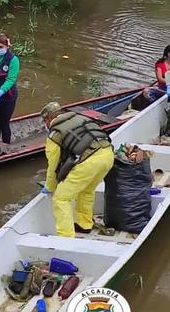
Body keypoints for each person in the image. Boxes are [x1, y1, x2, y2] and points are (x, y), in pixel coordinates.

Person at [40, 102, 114, 238]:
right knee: (86, 190)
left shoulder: (55, 134)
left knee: (61, 198)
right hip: (108, 155)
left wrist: (50, 186)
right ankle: (84, 225)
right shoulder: (80, 118)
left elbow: (53, 165)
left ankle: (66, 237)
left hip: (90, 162)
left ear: (48, 119)